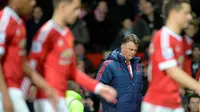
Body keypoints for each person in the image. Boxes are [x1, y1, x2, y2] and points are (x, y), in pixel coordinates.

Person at [28, 0, 117, 112]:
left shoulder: (68, 35)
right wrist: (26, 91)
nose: (78, 13)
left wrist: (99, 88)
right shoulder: (46, 32)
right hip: (46, 99)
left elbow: (73, 72)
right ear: (63, 6)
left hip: (61, 98)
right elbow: (31, 67)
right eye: (75, 8)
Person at [142, 0, 200, 112]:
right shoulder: (163, 36)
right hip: (158, 104)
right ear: (173, 13)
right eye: (186, 13)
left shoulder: (178, 39)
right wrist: (197, 86)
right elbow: (172, 70)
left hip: (174, 102)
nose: (189, 17)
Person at [0, 0, 58, 112]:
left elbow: (23, 65)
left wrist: (46, 87)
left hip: (13, 90)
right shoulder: (4, 20)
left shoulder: (20, 23)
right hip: (5, 90)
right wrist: (5, 96)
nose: (33, 3)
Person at [96, 34, 143, 112]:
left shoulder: (138, 67)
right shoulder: (109, 65)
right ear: (122, 46)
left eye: (135, 50)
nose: (133, 52)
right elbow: (97, 87)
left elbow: (139, 90)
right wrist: (114, 102)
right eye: (130, 49)